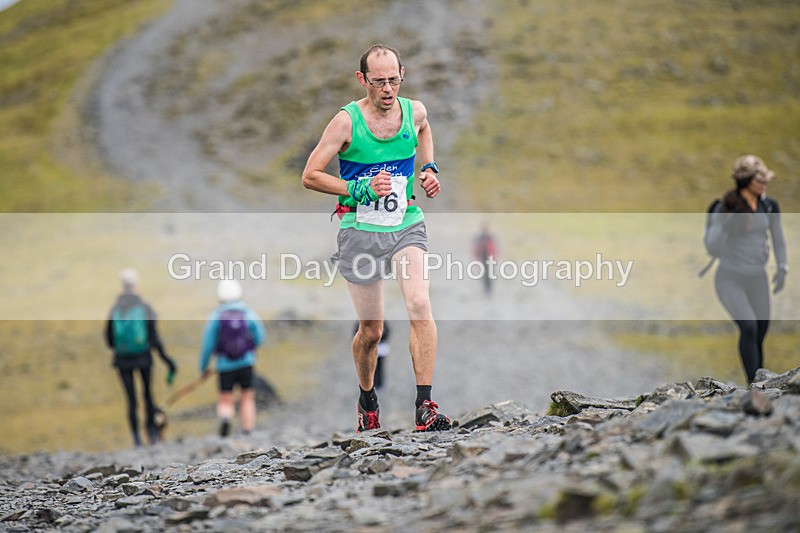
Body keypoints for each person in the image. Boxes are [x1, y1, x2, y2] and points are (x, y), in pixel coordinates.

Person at [302, 44, 451, 433]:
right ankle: (367, 398)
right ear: (362, 79)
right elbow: (310, 175)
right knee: (372, 331)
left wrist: (430, 168)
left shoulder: (413, 110)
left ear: (404, 73)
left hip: (405, 222)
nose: (387, 89)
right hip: (359, 229)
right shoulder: (346, 122)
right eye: (379, 82)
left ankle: (425, 406)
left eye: (394, 80)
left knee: (419, 303)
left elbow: (424, 128)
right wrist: (361, 188)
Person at [704, 154, 788, 385]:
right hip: (730, 278)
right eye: (760, 180)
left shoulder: (769, 206)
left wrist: (782, 266)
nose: (765, 184)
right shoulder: (725, 207)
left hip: (757, 278)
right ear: (747, 181)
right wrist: (728, 224)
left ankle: (761, 381)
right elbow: (712, 247)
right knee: (748, 326)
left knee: (760, 330)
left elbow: (778, 239)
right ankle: (754, 385)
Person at [105, 268, 177, 447]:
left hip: (122, 361)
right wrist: (167, 361)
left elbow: (109, 339)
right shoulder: (144, 308)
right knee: (147, 395)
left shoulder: (115, 309)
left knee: (131, 399)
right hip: (144, 358)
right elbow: (154, 338)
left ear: (122, 285)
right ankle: (151, 434)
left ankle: (136, 438)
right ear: (136, 285)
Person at [199, 279, 266, 437]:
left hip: (224, 364)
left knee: (225, 398)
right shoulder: (247, 312)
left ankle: (225, 417)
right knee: (247, 396)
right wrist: (253, 346)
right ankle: (248, 429)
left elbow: (207, 344)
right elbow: (260, 335)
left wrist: (203, 367)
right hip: (246, 362)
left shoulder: (216, 315)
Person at [353, 321, 390, 390]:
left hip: (380, 350)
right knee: (368, 368)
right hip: (370, 350)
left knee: (378, 368)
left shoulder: (382, 323)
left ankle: (377, 384)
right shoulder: (361, 323)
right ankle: (369, 386)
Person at [472, 223, 498, 296]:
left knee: (489, 275)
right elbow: (476, 248)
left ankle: (489, 290)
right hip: (482, 259)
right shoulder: (480, 238)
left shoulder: (490, 238)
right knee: (484, 275)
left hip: (490, 259)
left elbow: (494, 248)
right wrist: (476, 257)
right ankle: (485, 289)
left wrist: (495, 258)